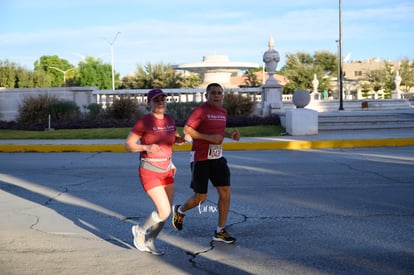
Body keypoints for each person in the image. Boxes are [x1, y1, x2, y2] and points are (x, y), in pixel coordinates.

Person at [171, 83, 240, 244]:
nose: (217, 96)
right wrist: (209, 139)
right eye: (213, 93)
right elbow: (187, 130)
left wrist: (230, 135)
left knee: (225, 193)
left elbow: (219, 131)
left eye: (219, 93)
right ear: (206, 96)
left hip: (217, 158)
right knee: (200, 198)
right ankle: (180, 210)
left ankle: (219, 231)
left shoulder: (222, 112)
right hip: (201, 158)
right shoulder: (200, 111)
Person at [125, 88, 191, 256]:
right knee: (164, 211)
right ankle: (140, 230)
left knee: (165, 211)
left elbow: (174, 139)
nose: (161, 102)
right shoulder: (144, 122)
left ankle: (150, 240)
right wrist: (146, 147)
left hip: (167, 170)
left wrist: (182, 139)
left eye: (163, 99)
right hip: (150, 170)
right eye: (156, 100)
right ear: (149, 103)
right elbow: (128, 145)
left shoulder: (169, 119)